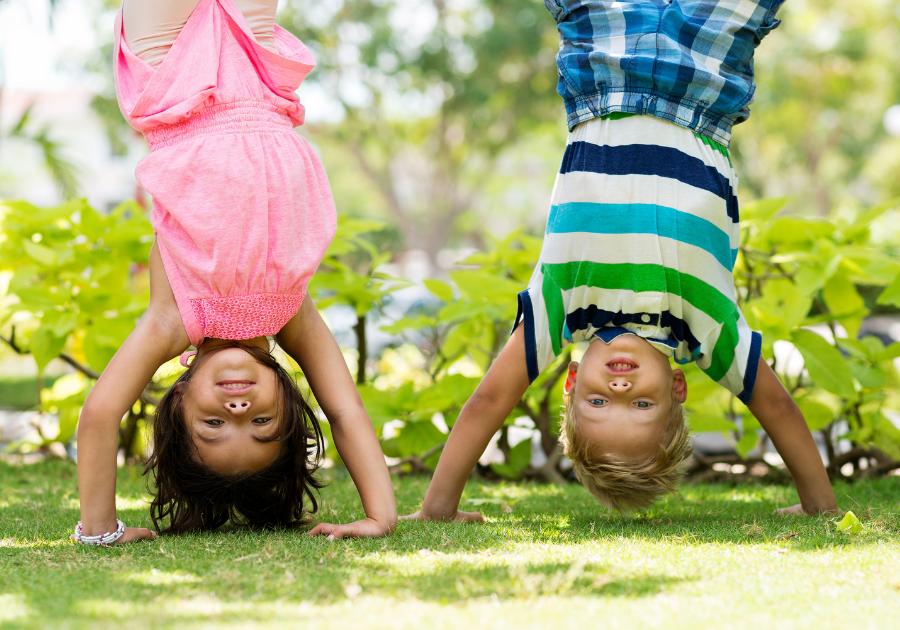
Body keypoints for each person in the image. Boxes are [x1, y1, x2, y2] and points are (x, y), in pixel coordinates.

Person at [404, 0, 838, 520]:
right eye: (641, 406)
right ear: (677, 388)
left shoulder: (558, 314)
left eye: (598, 404)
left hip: (603, 63)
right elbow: (777, 407)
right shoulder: (706, 331)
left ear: (570, 384)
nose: (619, 388)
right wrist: (821, 506)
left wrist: (437, 508)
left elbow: (488, 403)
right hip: (702, 76)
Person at [72, 0, 396, 546]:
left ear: (177, 407)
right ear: (290, 406)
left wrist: (99, 530)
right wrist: (381, 514)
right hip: (258, 79)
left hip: (174, 78)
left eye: (214, 426)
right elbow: (345, 410)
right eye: (261, 425)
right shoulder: (291, 317)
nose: (238, 410)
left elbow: (100, 414)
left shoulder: (173, 321)